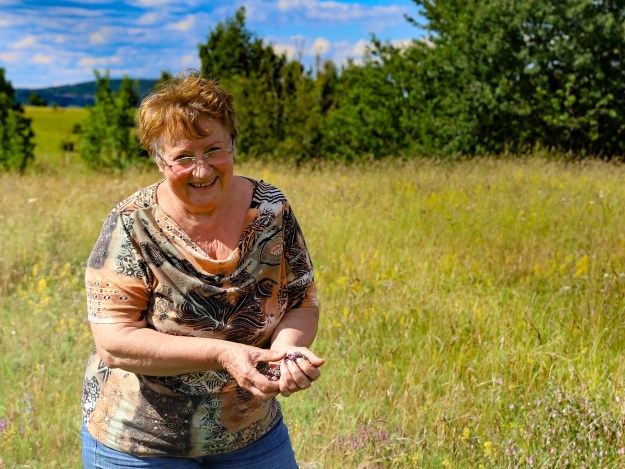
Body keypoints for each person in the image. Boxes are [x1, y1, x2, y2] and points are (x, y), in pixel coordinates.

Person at [80, 71, 324, 468]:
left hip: (251, 433)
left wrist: (285, 352)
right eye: (183, 157)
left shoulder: (270, 209)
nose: (202, 170)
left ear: (233, 145)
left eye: (213, 151)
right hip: (141, 442)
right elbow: (114, 342)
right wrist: (224, 354)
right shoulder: (132, 224)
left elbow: (301, 300)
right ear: (159, 161)